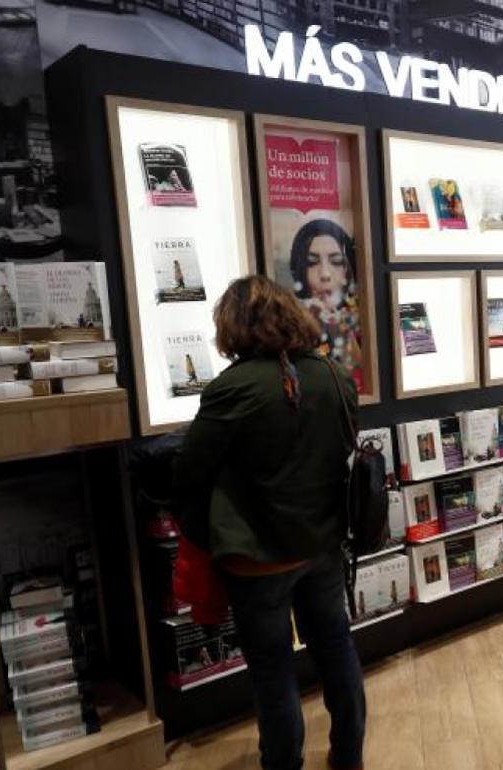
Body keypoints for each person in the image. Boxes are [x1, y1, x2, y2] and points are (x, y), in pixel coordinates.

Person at [173, 275, 366, 770]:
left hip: (257, 557)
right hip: (323, 544)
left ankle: (282, 764)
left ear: (233, 326)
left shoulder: (231, 388)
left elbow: (190, 471)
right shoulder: (334, 375)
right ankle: (348, 756)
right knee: (336, 648)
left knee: (272, 669)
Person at [289, 219, 362, 383]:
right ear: (299, 269)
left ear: (348, 270)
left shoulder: (360, 317)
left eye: (336, 262)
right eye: (312, 263)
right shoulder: (290, 324)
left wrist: (340, 330)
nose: (325, 274)